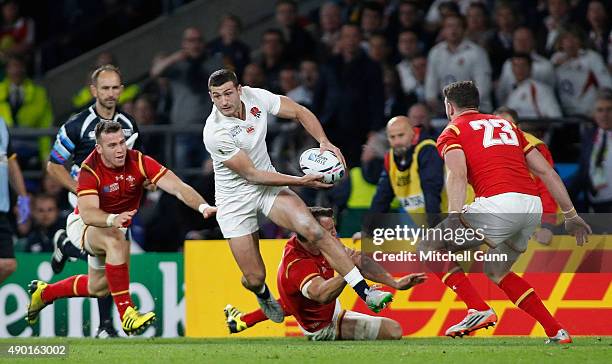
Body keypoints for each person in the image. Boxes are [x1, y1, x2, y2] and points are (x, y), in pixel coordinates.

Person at [203, 69, 393, 323]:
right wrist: (301, 181)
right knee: (256, 276)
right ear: (211, 97)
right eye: (216, 96)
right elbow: (251, 174)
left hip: (267, 187)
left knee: (313, 230)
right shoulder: (215, 132)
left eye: (228, 93)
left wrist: (324, 141)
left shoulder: (255, 97)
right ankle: (260, 291)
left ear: (239, 90)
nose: (223, 101)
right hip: (234, 199)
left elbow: (299, 111)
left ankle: (365, 291)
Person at [419, 80, 591, 344]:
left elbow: (457, 173)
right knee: (496, 270)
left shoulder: (452, 130)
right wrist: (571, 215)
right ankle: (556, 330)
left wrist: (454, 217)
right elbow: (545, 171)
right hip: (530, 207)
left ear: (449, 106)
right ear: (476, 102)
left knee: (428, 246)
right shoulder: (508, 126)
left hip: (499, 203)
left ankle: (477, 309)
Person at [26, 120, 217, 335]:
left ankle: (45, 294)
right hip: (85, 225)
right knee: (116, 239)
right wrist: (111, 220)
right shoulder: (90, 169)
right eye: (112, 145)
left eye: (121, 143)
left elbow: (178, 187)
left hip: (115, 226)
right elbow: (88, 212)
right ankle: (127, 314)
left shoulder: (138, 160)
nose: (119, 150)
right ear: (99, 148)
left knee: (97, 287)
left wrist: (202, 206)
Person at [224, 207, 426, 340]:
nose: (335, 236)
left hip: (328, 309)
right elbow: (321, 295)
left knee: (293, 300)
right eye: (329, 232)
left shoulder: (324, 243)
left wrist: (395, 283)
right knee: (394, 331)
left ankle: (243, 319)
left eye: (334, 229)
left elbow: (358, 259)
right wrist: (349, 271)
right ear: (311, 233)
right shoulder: (296, 264)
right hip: (321, 326)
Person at [46, 64, 141, 338]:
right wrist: (80, 190)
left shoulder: (129, 124)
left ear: (121, 90)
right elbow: (54, 165)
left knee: (108, 267)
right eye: (105, 88)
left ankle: (66, 246)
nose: (110, 94)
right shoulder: (77, 125)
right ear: (93, 91)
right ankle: (107, 325)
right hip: (86, 202)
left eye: (115, 88)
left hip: (117, 201)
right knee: (112, 250)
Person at [494, 107, 559, 245]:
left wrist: (547, 226)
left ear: (518, 128)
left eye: (507, 126)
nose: (502, 132)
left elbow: (548, 188)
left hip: (536, 229)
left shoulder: (534, 148)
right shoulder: (485, 149)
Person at [368, 116, 444, 214]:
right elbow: (382, 197)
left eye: (401, 135)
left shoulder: (427, 149)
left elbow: (432, 190)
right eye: (392, 137)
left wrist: (434, 226)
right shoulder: (390, 158)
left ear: (412, 132)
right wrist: (368, 228)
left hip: (451, 218)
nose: (397, 142)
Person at [570, 88, 612, 213]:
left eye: (609, 110)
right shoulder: (589, 136)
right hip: (594, 205)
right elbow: (583, 172)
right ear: (594, 114)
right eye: (600, 110)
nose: (604, 114)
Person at [0, 116, 29, 285]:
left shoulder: (1, 123)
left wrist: (23, 197)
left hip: (2, 207)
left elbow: (10, 161)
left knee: (8, 264)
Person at [502, 53, 562, 119]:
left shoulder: (541, 89)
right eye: (516, 65)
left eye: (523, 65)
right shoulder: (511, 92)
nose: (519, 69)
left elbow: (556, 118)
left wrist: (532, 125)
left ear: (530, 68)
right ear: (512, 69)